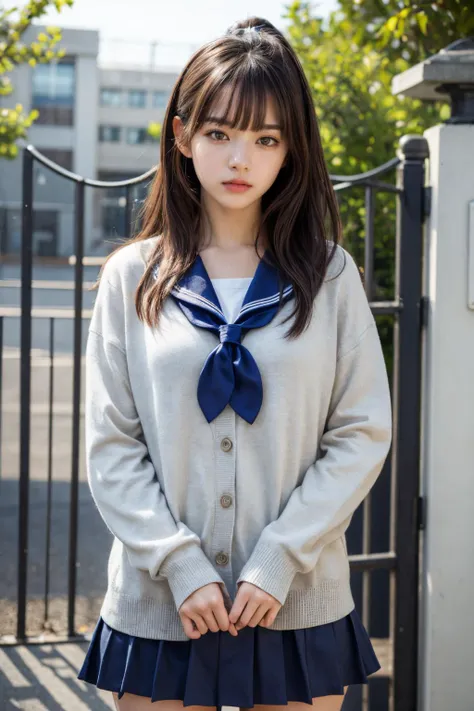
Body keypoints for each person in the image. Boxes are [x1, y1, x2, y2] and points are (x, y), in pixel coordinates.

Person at [78, 15, 392, 711]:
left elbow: (361, 431)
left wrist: (281, 557)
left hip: (296, 603)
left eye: (266, 138)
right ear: (184, 136)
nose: (240, 159)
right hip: (161, 605)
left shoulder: (329, 277)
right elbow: (111, 444)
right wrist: (179, 563)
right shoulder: (131, 278)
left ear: (291, 150)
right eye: (219, 133)